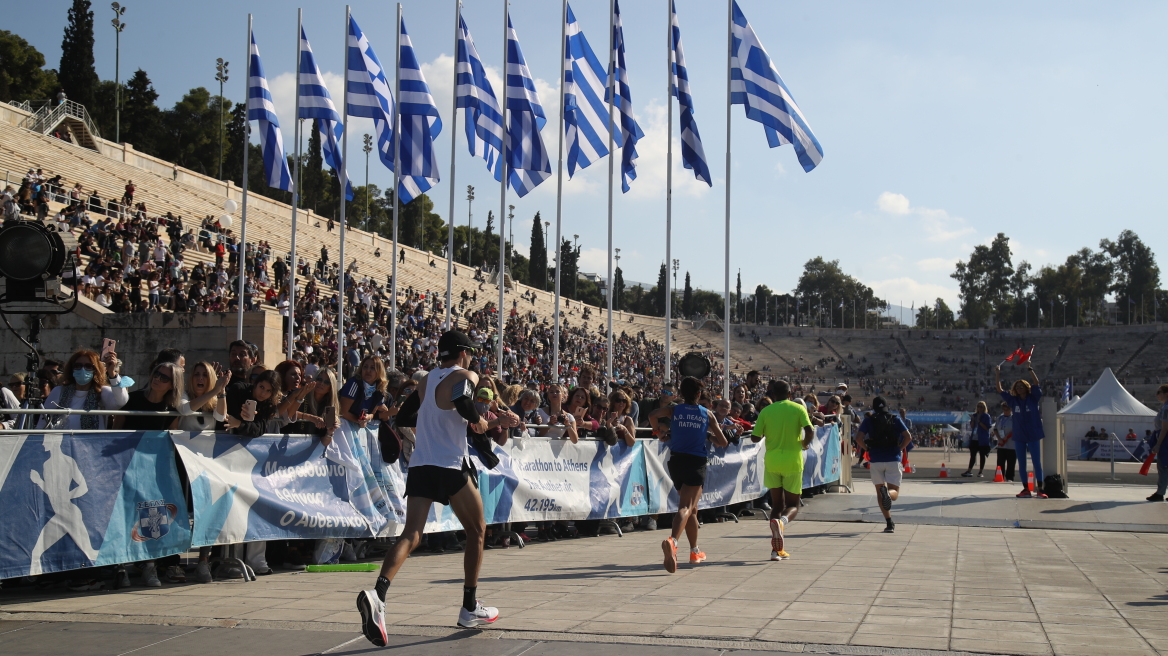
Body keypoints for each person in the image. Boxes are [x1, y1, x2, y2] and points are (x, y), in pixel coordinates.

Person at [358, 331, 513, 646]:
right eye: (469, 353)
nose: (471, 359)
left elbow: (404, 415)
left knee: (411, 535)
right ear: (461, 353)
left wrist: (437, 422)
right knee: (477, 529)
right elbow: (460, 397)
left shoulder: (427, 380)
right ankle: (470, 606)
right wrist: (480, 422)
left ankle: (378, 595)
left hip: (420, 465)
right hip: (449, 465)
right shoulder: (464, 374)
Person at [649, 377, 727, 573]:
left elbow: (652, 414)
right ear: (699, 395)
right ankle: (672, 541)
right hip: (696, 462)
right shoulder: (706, 413)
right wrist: (707, 435)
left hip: (676, 461)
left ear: (681, 393)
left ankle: (694, 551)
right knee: (685, 506)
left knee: (692, 508)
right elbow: (723, 441)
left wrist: (659, 433)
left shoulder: (675, 410)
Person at [750, 379, 813, 561]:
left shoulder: (766, 411)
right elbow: (810, 431)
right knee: (793, 505)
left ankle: (776, 551)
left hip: (772, 461)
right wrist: (804, 444)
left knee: (777, 505)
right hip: (792, 460)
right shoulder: (798, 409)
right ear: (790, 394)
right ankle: (782, 522)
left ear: (773, 395)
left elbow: (755, 438)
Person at [854, 396, 912, 533]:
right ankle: (888, 493)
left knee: (880, 494)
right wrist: (900, 448)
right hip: (893, 458)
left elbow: (858, 438)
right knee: (895, 493)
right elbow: (908, 436)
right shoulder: (895, 419)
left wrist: (867, 449)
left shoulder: (869, 420)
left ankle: (889, 523)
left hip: (876, 460)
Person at [39, 349, 128, 430]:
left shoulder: (102, 392)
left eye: (88, 366)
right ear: (72, 368)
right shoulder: (59, 391)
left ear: (96, 370)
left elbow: (121, 401)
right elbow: (43, 421)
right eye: (77, 365)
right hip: (60, 443)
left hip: (90, 444)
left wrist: (113, 374)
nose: (82, 369)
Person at [996, 363, 1047, 498]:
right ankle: (1025, 489)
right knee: (1022, 463)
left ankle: (1040, 489)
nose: (1019, 388)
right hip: (1019, 435)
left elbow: (1036, 382)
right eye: (1017, 387)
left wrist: (1030, 369)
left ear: (1026, 387)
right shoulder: (1013, 401)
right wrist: (997, 374)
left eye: (1021, 386)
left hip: (1033, 433)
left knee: (1037, 462)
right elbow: (1000, 390)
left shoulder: (1033, 398)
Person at [1146, 385, 1168, 502]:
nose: (1157, 394)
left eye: (1159, 392)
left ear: (1166, 394)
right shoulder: (1164, 407)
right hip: (1164, 438)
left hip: (1165, 439)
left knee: (1163, 466)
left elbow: (1165, 428)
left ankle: (1160, 493)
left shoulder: (1166, 408)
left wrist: (1158, 444)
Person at [962, 402, 993, 477]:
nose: (980, 408)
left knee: (982, 455)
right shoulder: (975, 415)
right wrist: (973, 420)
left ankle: (980, 472)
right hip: (974, 438)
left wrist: (979, 421)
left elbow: (987, 427)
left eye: (981, 407)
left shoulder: (986, 416)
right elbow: (972, 426)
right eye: (978, 406)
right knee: (972, 455)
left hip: (982, 438)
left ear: (984, 408)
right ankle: (969, 470)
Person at [992, 401, 1017, 482]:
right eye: (1004, 410)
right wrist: (999, 439)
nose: (1005, 411)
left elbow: (1016, 430)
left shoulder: (1014, 418)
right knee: (1000, 462)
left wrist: (1006, 437)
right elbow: (995, 429)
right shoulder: (1000, 418)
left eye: (1007, 410)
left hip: (1011, 444)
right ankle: (999, 476)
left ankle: (1010, 477)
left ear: (1011, 409)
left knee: (1011, 463)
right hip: (1001, 444)